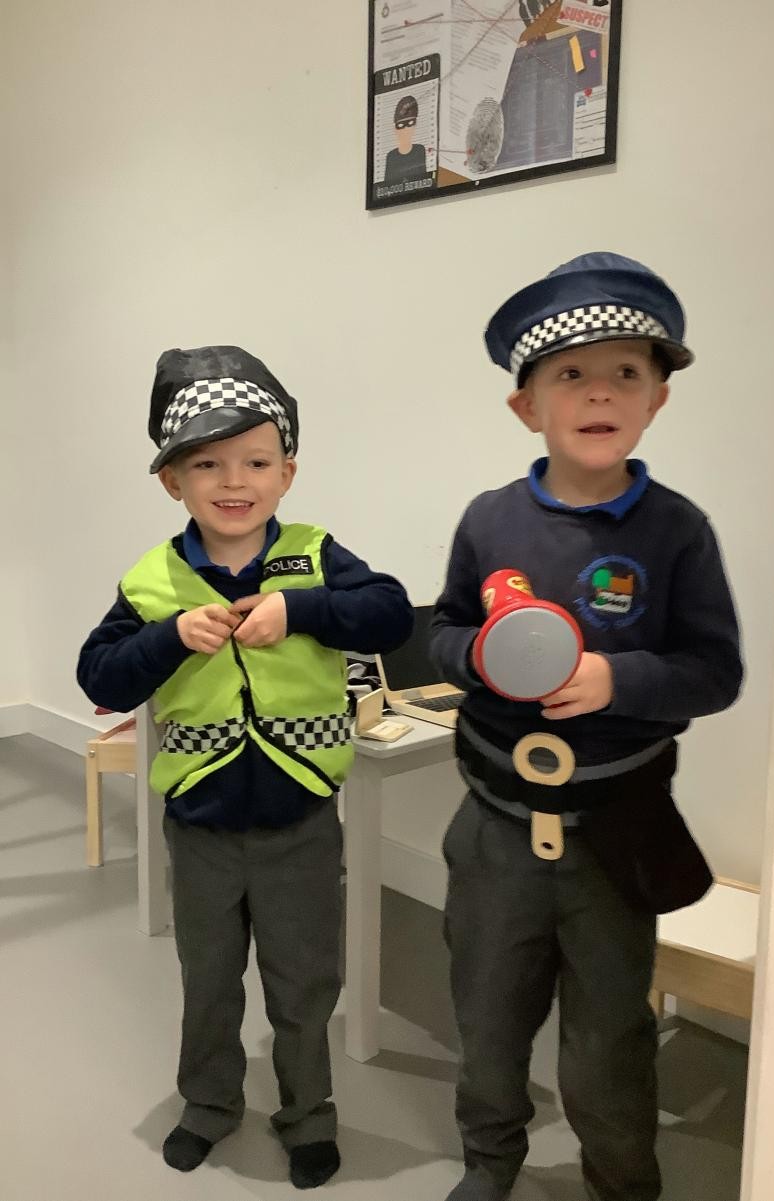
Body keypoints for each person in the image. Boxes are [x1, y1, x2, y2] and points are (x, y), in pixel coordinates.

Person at [431, 253, 744, 1201]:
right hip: (494, 828)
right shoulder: (489, 520)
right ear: (526, 406)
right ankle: (490, 1161)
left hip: (614, 835)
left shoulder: (676, 530)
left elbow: (715, 672)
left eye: (626, 373)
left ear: (656, 401)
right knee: (487, 1018)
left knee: (608, 1038)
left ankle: (621, 1181)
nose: (599, 391)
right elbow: (441, 631)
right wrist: (478, 657)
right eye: (571, 373)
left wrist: (616, 678)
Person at [77, 345, 413, 1189]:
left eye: (257, 461)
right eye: (208, 464)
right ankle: (208, 1103)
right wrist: (165, 638)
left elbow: (389, 614)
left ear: (286, 473)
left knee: (304, 983)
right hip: (200, 828)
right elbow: (100, 676)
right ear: (173, 481)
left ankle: (308, 1114)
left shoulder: (316, 554)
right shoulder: (152, 580)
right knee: (208, 980)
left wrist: (299, 611)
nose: (235, 481)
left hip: (301, 822)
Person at [383, 94, 428, 186]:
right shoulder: (391, 157)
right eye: (401, 125)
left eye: (410, 123)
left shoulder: (419, 150)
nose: (406, 129)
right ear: (395, 129)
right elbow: (386, 186)